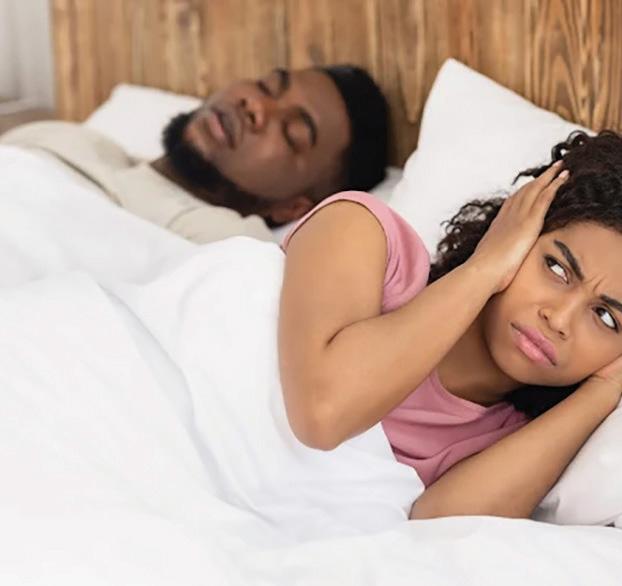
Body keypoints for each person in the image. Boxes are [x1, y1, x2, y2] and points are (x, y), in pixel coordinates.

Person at [278, 130, 622, 520]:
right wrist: (485, 266)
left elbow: (439, 542)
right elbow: (323, 415)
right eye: (556, 268)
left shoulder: (512, 444)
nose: (559, 319)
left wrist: (604, 391)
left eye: (606, 317)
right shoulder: (364, 235)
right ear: (519, 226)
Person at [0, 65, 388, 244]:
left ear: (292, 208)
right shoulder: (75, 141)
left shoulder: (223, 241)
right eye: (266, 86)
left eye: (292, 133)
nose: (255, 106)